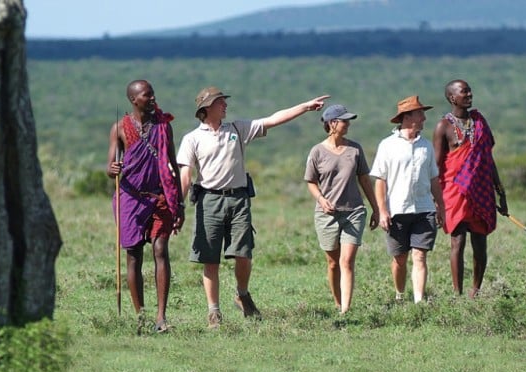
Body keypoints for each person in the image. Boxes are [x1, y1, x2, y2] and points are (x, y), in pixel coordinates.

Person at [177, 86, 329, 328]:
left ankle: (242, 293)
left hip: (238, 199)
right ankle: (213, 311)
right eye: (220, 102)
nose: (225, 105)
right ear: (206, 108)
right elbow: (186, 175)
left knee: (243, 253)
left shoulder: (237, 128)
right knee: (210, 259)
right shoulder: (192, 139)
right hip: (209, 200)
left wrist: (304, 107)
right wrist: (178, 205)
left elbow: (271, 120)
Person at [107, 79, 185, 333]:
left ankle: (161, 318)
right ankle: (141, 316)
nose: (152, 98)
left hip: (160, 197)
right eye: (146, 95)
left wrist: (179, 204)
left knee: (160, 249)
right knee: (134, 256)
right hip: (130, 199)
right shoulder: (120, 128)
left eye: (152, 94)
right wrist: (113, 168)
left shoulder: (164, 127)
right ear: (134, 100)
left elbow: (173, 164)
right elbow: (110, 166)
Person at [433, 79, 508, 299]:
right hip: (454, 191)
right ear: (452, 98)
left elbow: (488, 159)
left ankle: (475, 291)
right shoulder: (443, 127)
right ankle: (457, 294)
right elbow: (436, 166)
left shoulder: (480, 122)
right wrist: (437, 202)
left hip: (481, 190)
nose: (469, 94)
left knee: (480, 240)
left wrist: (500, 193)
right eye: (463, 92)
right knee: (458, 241)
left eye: (469, 91)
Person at [304, 104, 379, 315]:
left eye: (348, 120)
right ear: (332, 123)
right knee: (333, 263)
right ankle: (338, 302)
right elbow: (310, 181)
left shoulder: (355, 149)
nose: (348, 124)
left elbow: (364, 179)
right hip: (327, 214)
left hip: (354, 211)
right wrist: (320, 198)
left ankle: (345, 309)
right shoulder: (317, 151)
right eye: (344, 120)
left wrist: (376, 208)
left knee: (347, 261)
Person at [371, 95, 445, 303]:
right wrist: (383, 210)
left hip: (424, 208)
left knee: (420, 256)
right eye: (420, 113)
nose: (424, 118)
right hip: (397, 210)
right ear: (407, 117)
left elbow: (434, 179)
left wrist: (441, 206)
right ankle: (400, 295)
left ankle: (419, 301)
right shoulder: (387, 145)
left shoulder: (426, 146)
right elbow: (380, 181)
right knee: (400, 259)